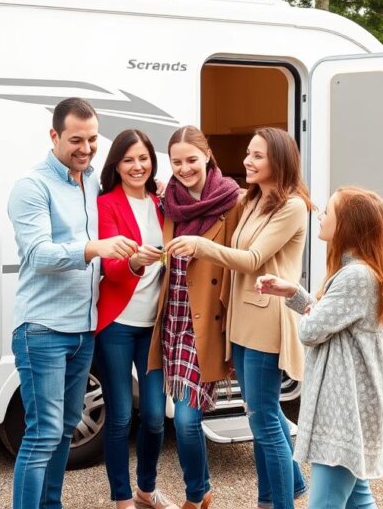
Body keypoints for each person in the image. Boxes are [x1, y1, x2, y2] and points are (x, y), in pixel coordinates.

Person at [7, 97, 138, 509]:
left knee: (64, 429)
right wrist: (92, 248)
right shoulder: (32, 186)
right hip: (42, 330)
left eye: (93, 139)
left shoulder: (91, 182)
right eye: (76, 140)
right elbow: (38, 254)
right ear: (54, 136)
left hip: (82, 331)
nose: (86, 148)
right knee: (42, 432)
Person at [168, 127, 310, 509]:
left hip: (266, 323)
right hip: (242, 322)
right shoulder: (251, 200)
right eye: (248, 153)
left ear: (278, 161)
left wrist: (200, 245)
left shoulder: (293, 206)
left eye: (257, 156)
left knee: (263, 421)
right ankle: (278, 494)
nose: (247, 161)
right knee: (262, 412)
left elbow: (251, 260)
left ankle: (280, 502)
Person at [256, 187, 383, 509]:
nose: (321, 216)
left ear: (348, 225)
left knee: (325, 503)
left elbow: (312, 331)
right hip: (353, 410)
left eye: (329, 212)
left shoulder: (355, 276)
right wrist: (294, 293)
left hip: (345, 413)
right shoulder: (362, 271)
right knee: (358, 501)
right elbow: (332, 320)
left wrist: (310, 312)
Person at [148, 126, 242, 509]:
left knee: (187, 420)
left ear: (208, 154)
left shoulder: (233, 201)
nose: (184, 168)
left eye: (191, 159)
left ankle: (195, 494)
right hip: (173, 320)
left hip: (209, 325)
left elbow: (243, 260)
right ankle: (201, 492)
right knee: (178, 419)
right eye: (176, 162)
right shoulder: (168, 201)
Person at [94, 130, 177, 509]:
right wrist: (133, 262)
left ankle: (146, 488)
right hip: (117, 325)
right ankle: (122, 498)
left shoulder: (163, 203)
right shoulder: (107, 204)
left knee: (157, 417)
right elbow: (110, 269)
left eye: (143, 158)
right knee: (120, 416)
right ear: (117, 165)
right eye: (128, 160)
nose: (137, 166)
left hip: (153, 326)